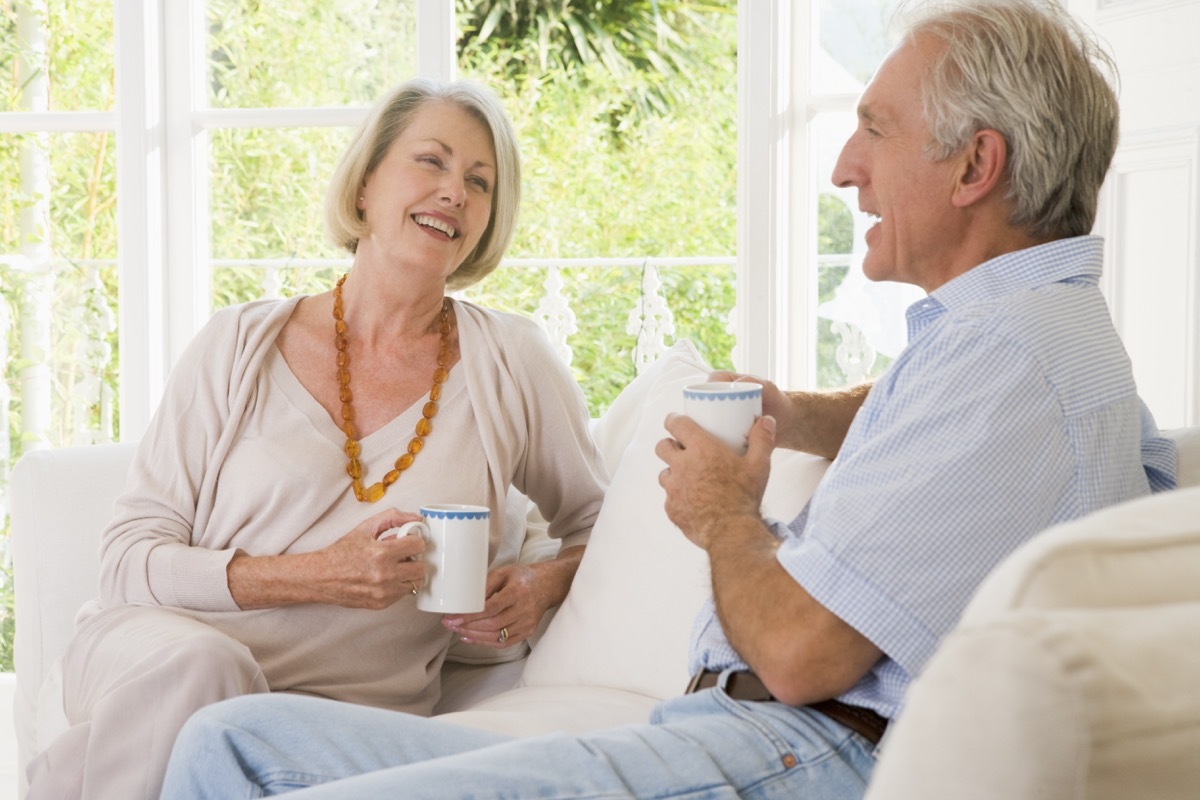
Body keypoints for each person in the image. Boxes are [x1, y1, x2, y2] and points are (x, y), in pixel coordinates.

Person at [158, 1, 1178, 798]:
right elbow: (929, 422)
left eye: (874, 127)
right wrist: (802, 411)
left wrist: (720, 509)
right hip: (748, 740)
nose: (843, 165)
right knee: (230, 735)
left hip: (800, 752)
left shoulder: (1004, 357)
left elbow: (795, 654)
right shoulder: (1033, 344)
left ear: (975, 166)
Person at [25, 78, 607, 800]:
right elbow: (128, 558)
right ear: (365, 185)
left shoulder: (513, 362)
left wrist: (540, 582)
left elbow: (605, 522)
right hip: (158, 653)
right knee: (209, 672)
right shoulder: (237, 343)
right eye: (431, 161)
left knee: (219, 720)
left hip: (340, 718)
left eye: (479, 182)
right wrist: (318, 575)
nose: (455, 192)